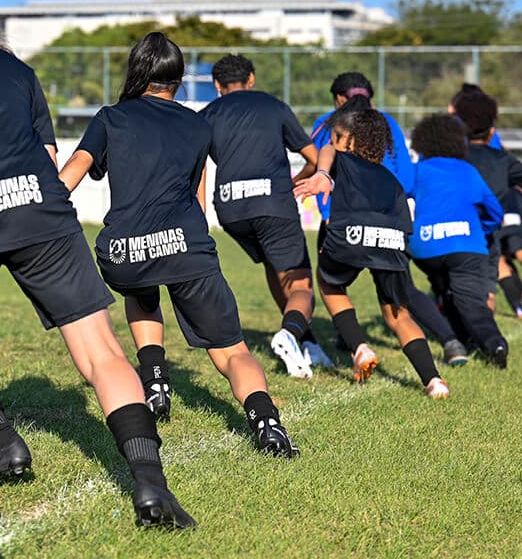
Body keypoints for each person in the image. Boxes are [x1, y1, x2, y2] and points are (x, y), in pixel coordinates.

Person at [0, 0, 194, 530]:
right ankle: (151, 486)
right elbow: (47, 157)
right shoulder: (18, 72)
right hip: (39, 209)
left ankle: (1, 439)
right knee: (101, 353)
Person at [59, 33, 300, 457]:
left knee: (141, 291)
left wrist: (44, 206)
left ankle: (154, 381)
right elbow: (198, 194)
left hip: (124, 253)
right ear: (179, 77)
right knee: (232, 351)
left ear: (137, 71)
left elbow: (78, 167)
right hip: (186, 246)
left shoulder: (111, 117)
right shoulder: (197, 124)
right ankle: (268, 424)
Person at [307, 77, 468, 367]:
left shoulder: (329, 122)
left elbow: (324, 163)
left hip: (343, 216)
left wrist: (328, 208)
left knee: (331, 281)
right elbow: (405, 177)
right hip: (390, 217)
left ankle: (353, 343)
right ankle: (450, 341)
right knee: (401, 291)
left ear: (339, 99)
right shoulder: (387, 123)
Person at [294, 105, 449, 399]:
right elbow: (405, 221)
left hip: (354, 234)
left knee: (328, 281)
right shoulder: (390, 179)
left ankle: (360, 347)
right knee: (398, 315)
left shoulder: (342, 158)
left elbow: (326, 151)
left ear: (351, 140)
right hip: (393, 237)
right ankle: (434, 381)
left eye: (338, 135)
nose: (333, 140)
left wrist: (324, 174)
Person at [198, 53, 332, 378]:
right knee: (301, 284)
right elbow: (313, 158)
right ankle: (290, 335)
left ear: (217, 85)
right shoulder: (274, 106)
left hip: (230, 210)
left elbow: (197, 168)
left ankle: (308, 343)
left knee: (275, 266)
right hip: (272, 205)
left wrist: (200, 218)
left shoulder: (205, 115)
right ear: (252, 79)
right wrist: (296, 183)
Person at [407, 115, 509, 368]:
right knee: (471, 300)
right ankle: (494, 343)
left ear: (422, 143)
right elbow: (495, 212)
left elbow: (395, 195)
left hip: (425, 247)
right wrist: (478, 230)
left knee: (444, 288)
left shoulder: (418, 170)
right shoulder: (468, 171)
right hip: (466, 246)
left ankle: (456, 340)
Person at [450, 88, 522, 316]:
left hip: (457, 230)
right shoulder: (503, 158)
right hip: (488, 232)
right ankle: (487, 336)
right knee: (488, 289)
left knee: (458, 286)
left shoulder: (455, 155)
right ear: (491, 132)